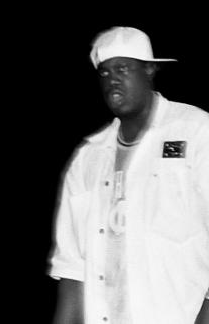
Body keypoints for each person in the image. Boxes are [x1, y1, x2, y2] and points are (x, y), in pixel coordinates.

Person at [49, 26, 209, 324]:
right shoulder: (88, 159)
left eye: (122, 68)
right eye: (104, 73)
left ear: (149, 70)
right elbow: (71, 269)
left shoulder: (196, 132)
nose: (112, 80)